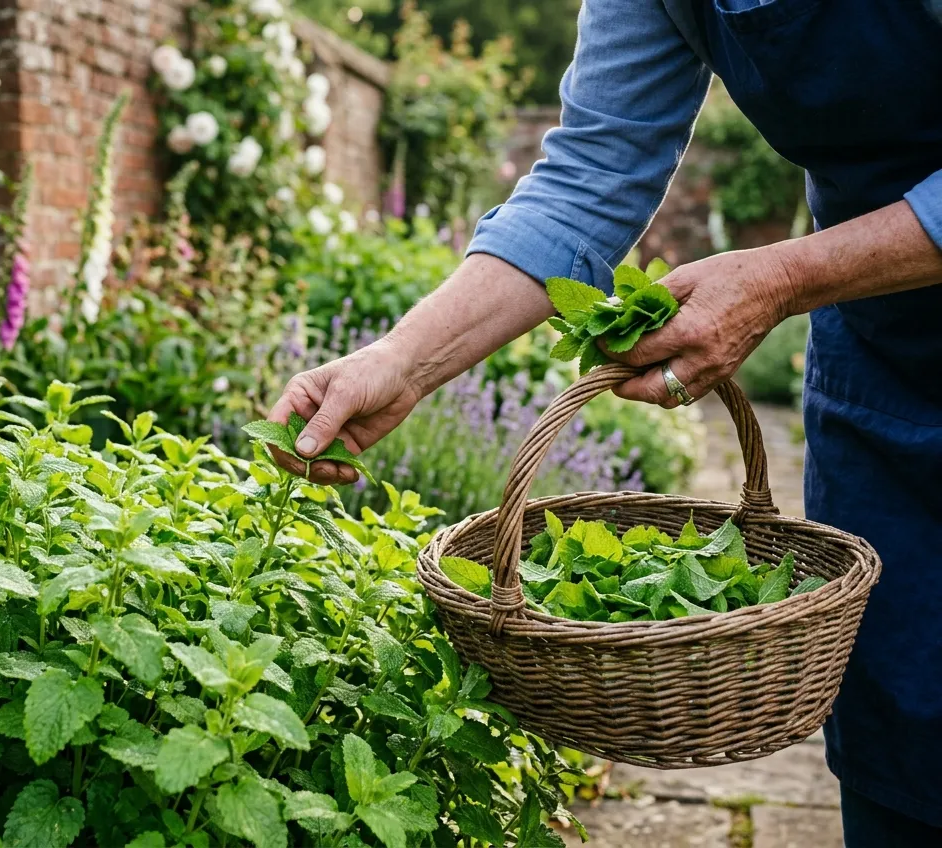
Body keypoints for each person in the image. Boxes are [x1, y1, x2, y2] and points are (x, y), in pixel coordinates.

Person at [268, 1, 942, 843]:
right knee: (903, 747)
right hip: (883, 353)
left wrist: (785, 277)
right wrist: (402, 360)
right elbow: (589, 174)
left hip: (838, 274)